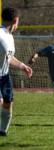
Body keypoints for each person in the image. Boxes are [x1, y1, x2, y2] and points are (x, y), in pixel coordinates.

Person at [0, 7, 32, 136]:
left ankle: (2, 131)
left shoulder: (10, 37)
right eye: (18, 22)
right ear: (15, 20)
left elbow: (9, 58)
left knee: (8, 104)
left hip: (5, 76)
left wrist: (22, 66)